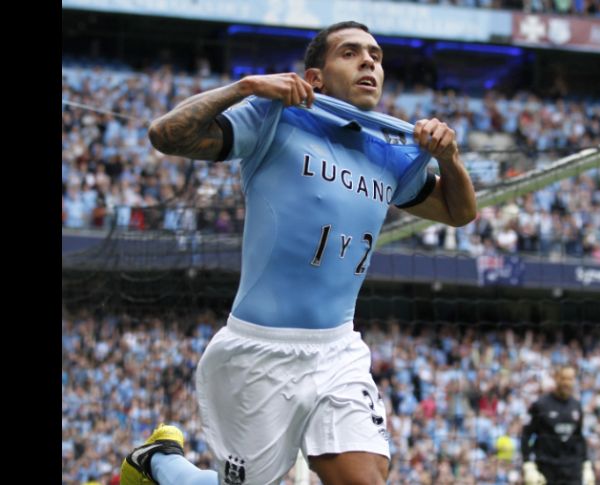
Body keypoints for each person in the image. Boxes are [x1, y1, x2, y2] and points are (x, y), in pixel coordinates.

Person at [120, 20, 476, 485]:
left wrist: (449, 158)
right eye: (350, 53)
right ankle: (159, 461)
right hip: (259, 349)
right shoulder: (273, 117)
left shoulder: (390, 151)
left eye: (376, 55)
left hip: (338, 349)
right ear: (315, 78)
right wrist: (246, 86)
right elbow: (165, 134)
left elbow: (459, 212)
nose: (369, 61)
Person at [520, 365, 595, 485]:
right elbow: (526, 435)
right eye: (563, 378)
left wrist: (586, 464)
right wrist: (528, 465)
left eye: (570, 379)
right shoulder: (540, 405)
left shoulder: (576, 406)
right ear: (556, 378)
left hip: (572, 470)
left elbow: (579, 437)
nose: (566, 382)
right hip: (547, 469)